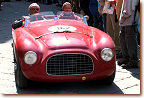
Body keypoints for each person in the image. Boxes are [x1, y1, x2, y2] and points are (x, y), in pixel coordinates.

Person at [118, 0, 140, 68]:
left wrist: (122, 18)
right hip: (128, 20)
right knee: (124, 38)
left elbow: (128, 10)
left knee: (129, 40)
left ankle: (133, 60)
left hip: (130, 20)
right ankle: (127, 58)